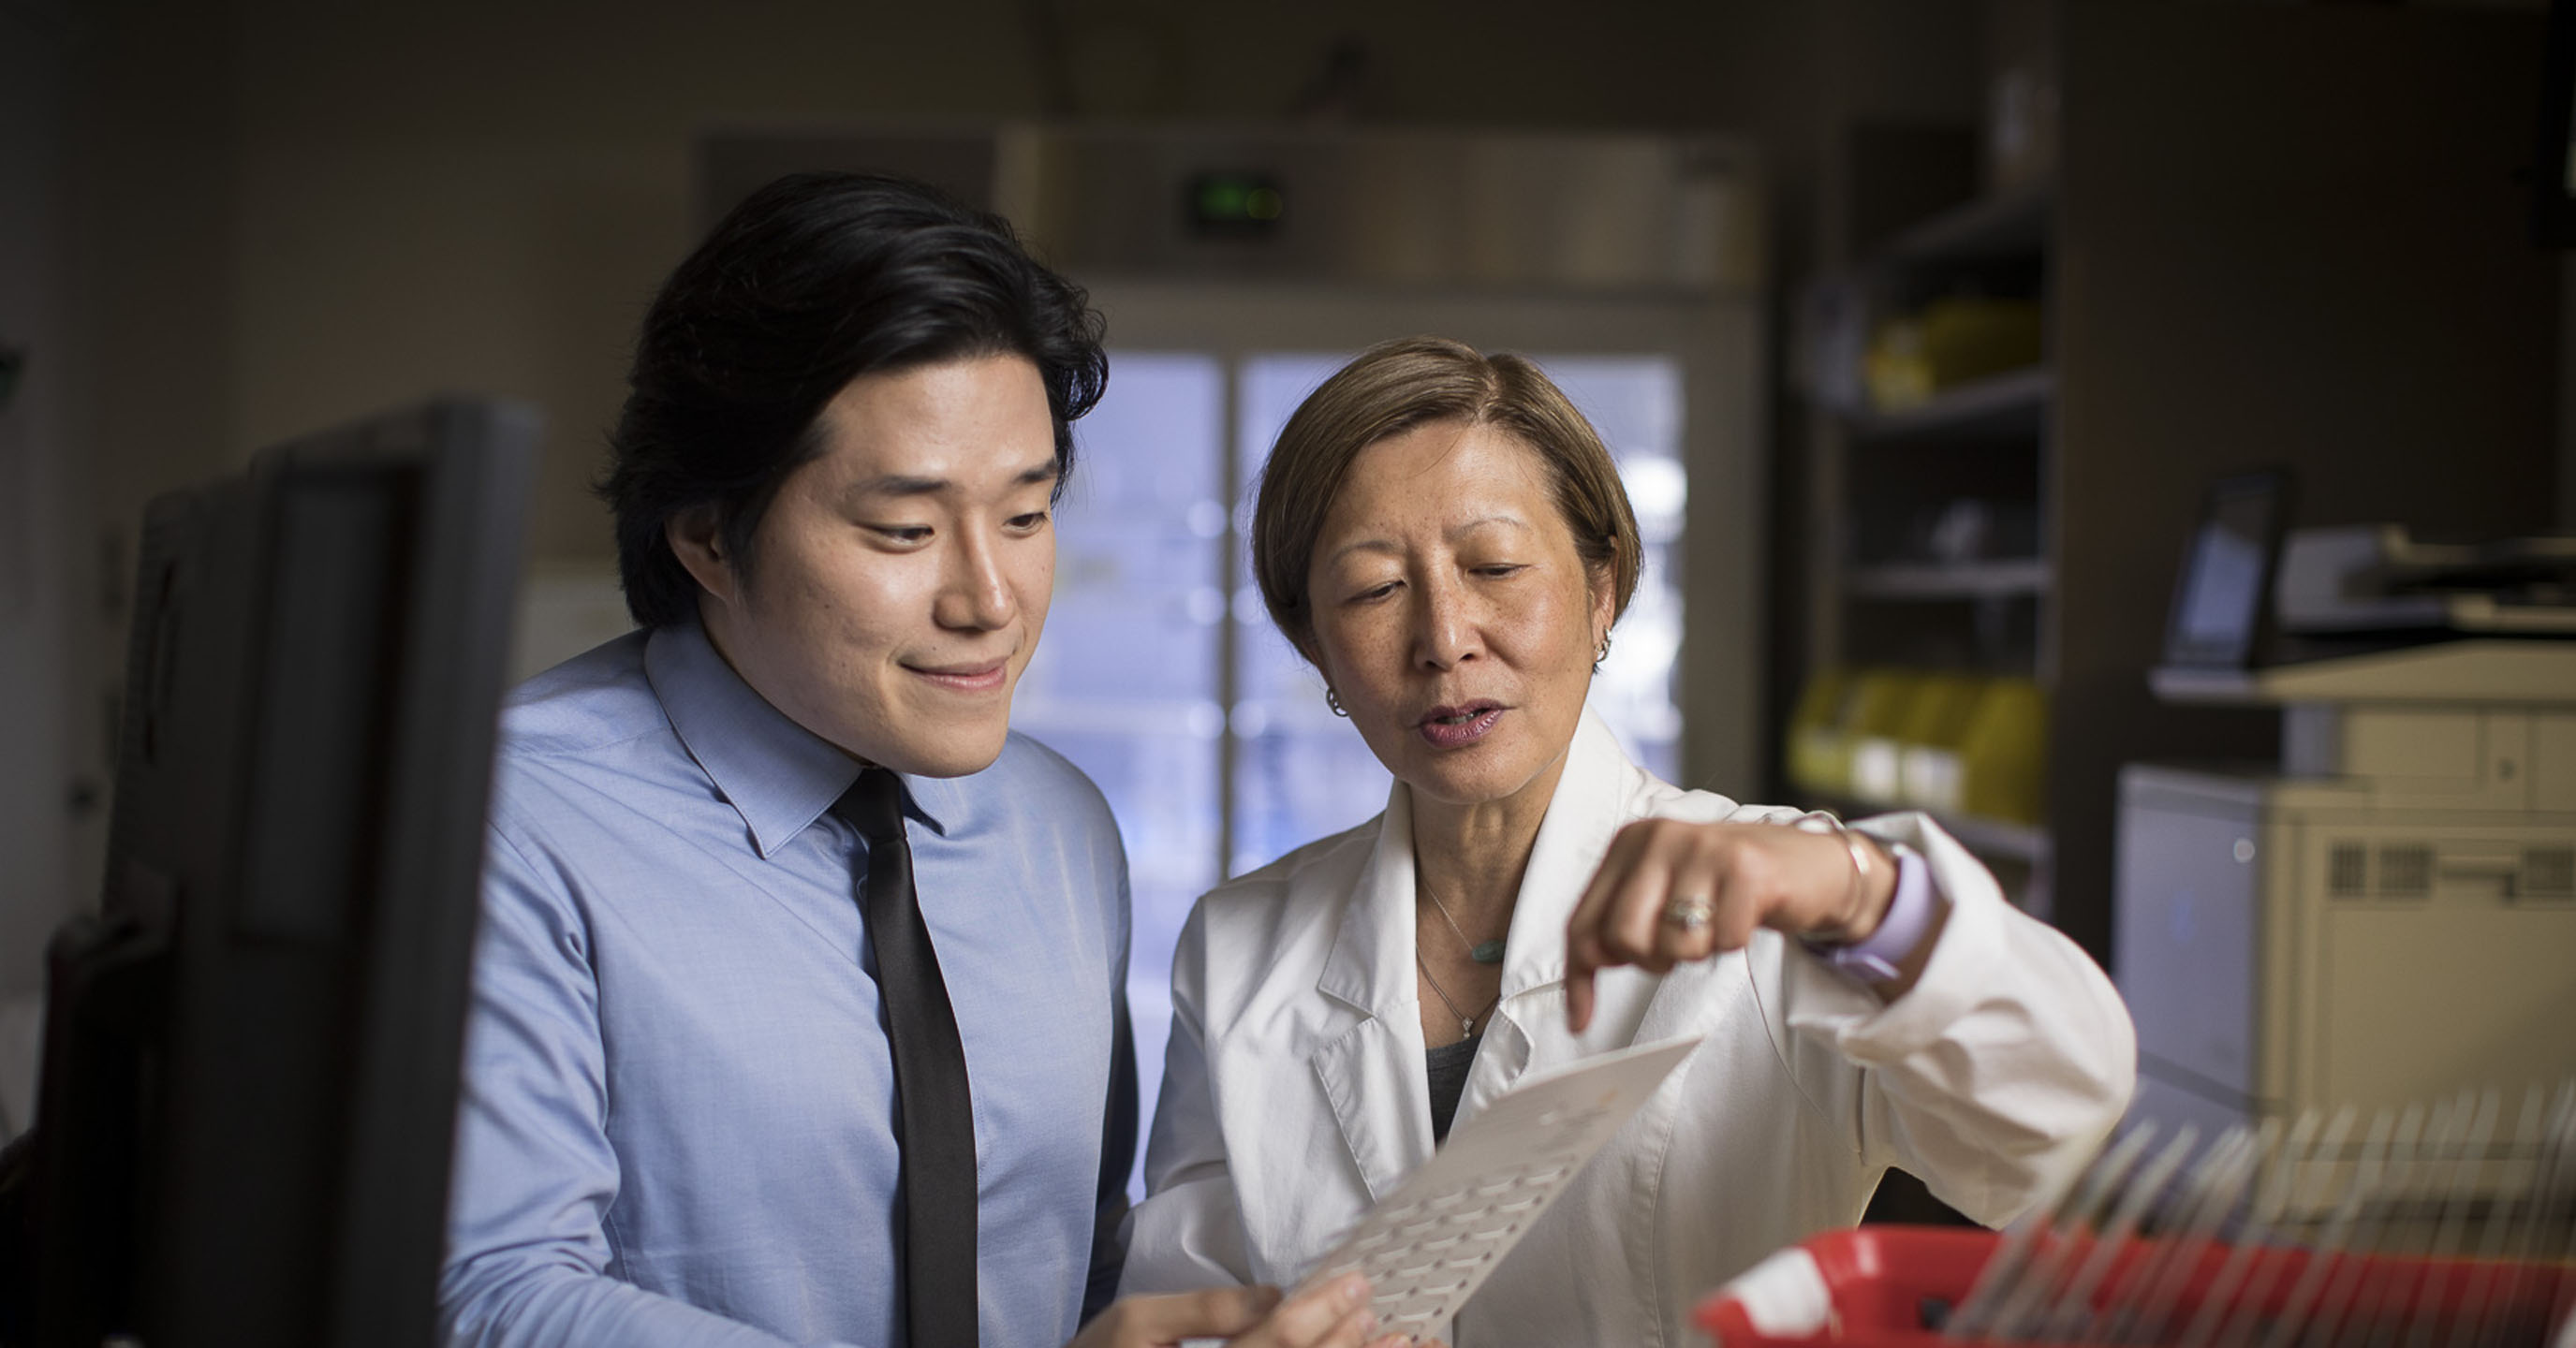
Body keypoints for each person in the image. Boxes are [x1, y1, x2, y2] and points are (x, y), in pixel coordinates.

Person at [440, 172, 1395, 1348]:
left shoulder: (1061, 829)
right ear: (706, 535)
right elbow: (487, 1297)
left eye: (1027, 515)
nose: (991, 600)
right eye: (904, 529)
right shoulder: (506, 823)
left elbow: (1085, 1265)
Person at [1118, 336, 2139, 1344]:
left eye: (1496, 565)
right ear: (1317, 648)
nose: (1445, 638)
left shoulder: (1791, 901)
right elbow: (1190, 1302)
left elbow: (2056, 1133)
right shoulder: (1240, 948)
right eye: (1377, 589)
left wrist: (1863, 896)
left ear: (1603, 590)